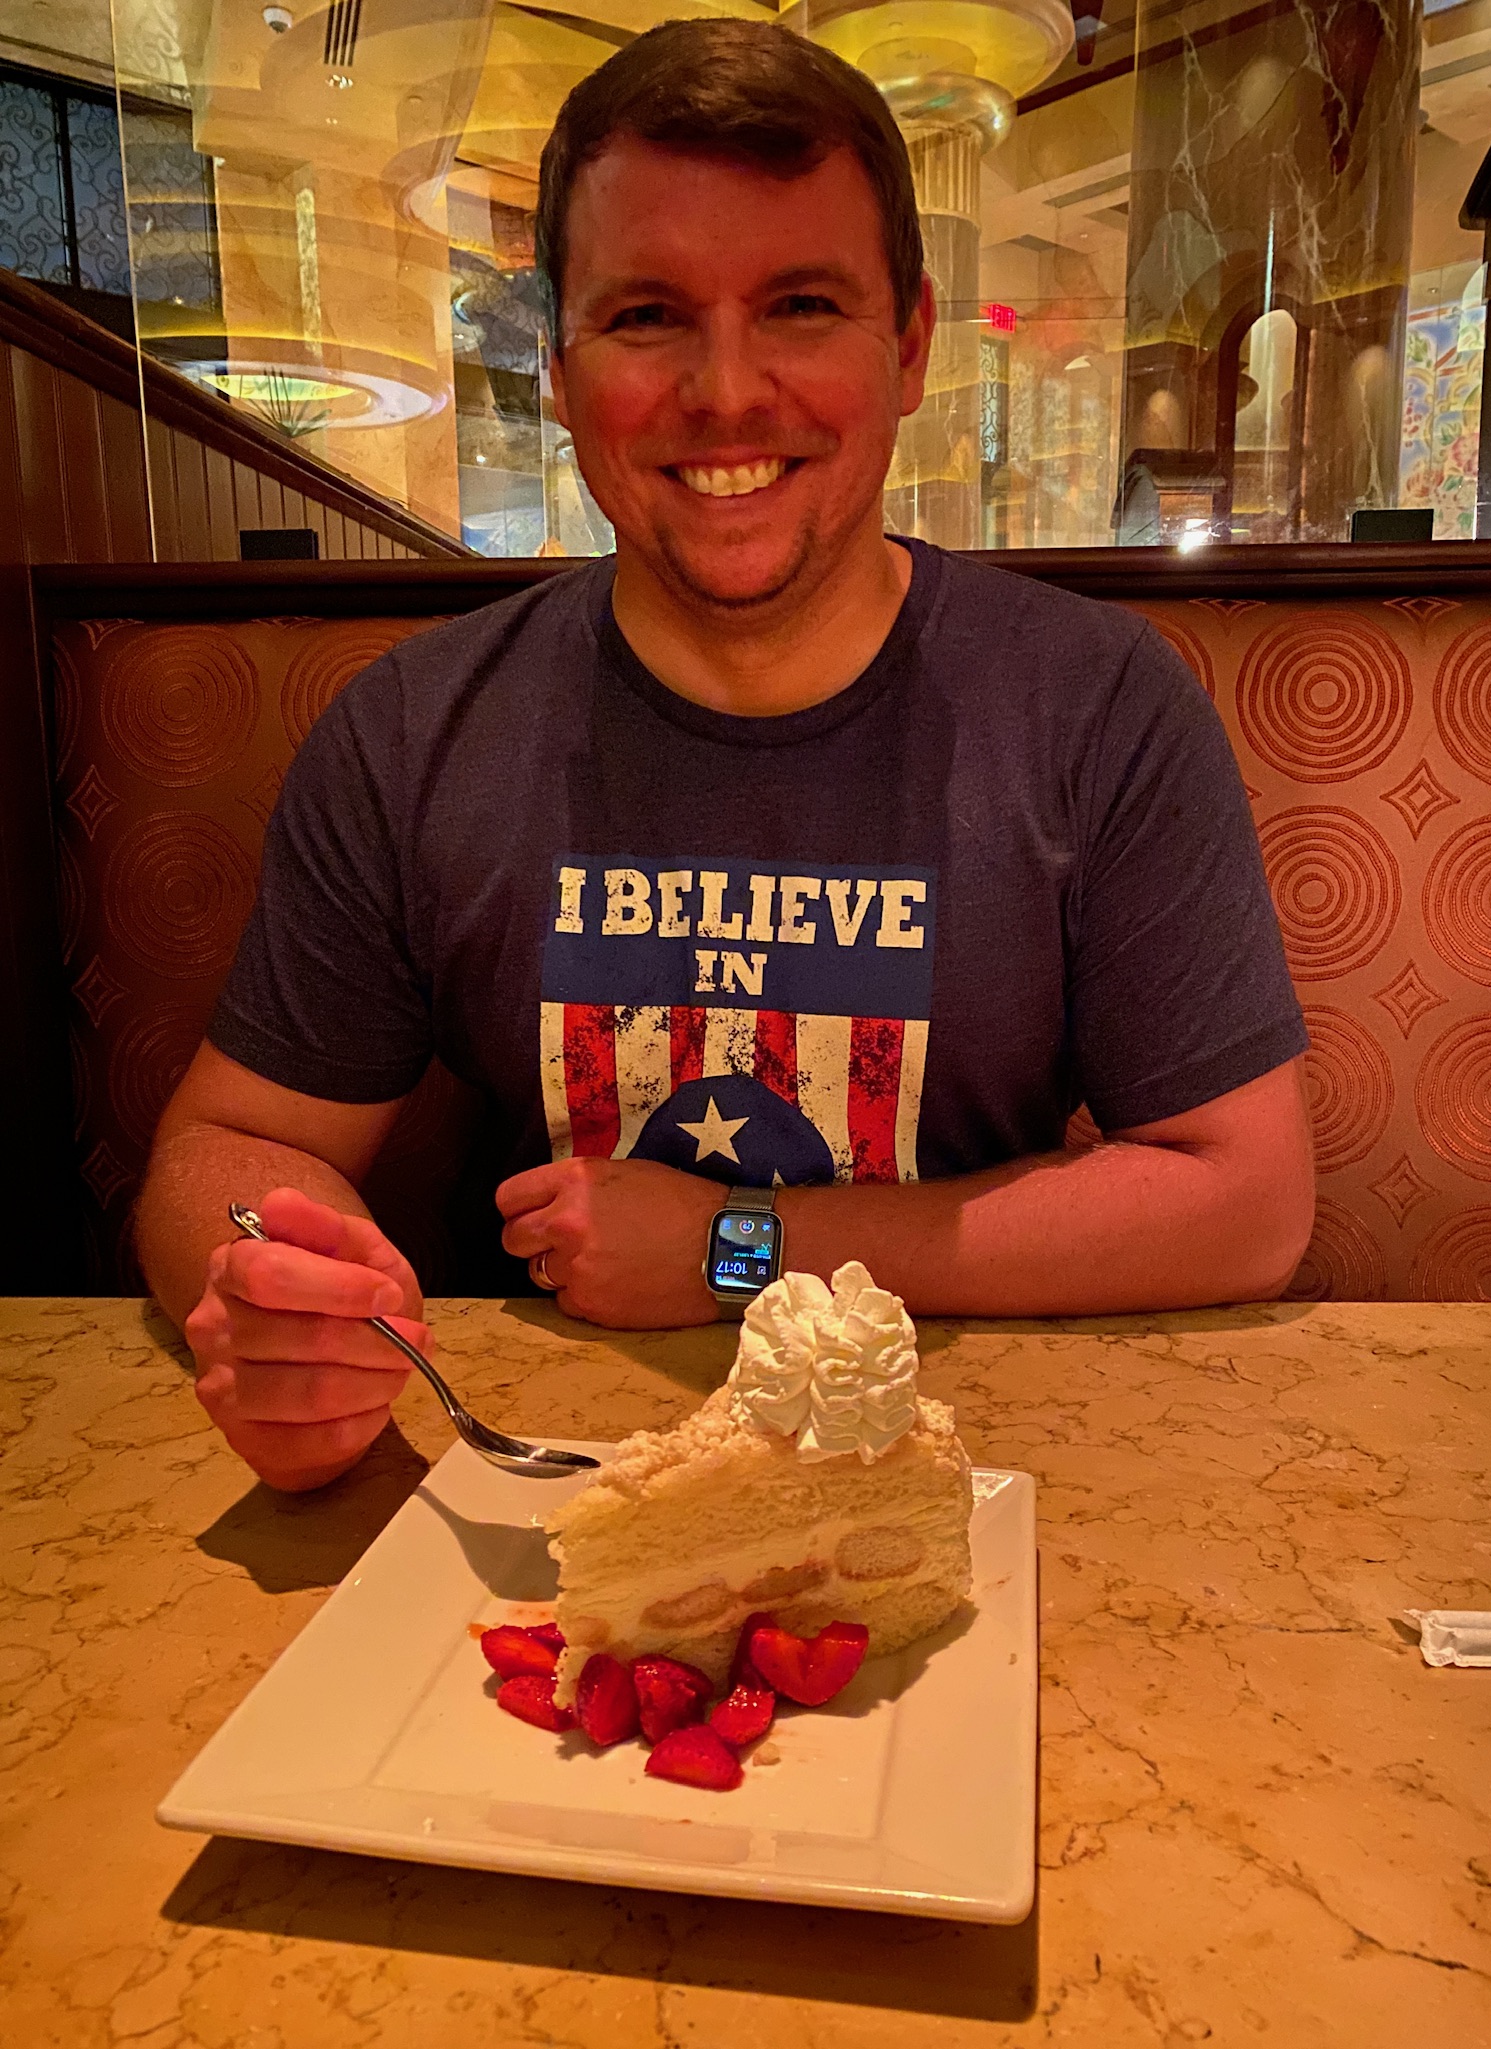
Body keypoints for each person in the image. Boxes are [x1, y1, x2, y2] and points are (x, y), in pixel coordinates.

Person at [136, 19, 1314, 1493]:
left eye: (802, 305)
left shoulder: (1098, 706)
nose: (727, 393)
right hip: (541, 1497)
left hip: (956, 1482)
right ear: (557, 366)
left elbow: (1244, 1201)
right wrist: (273, 1279)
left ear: (908, 347)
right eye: (645, 317)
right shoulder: (412, 733)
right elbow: (223, 1148)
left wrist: (728, 1247)